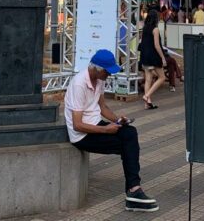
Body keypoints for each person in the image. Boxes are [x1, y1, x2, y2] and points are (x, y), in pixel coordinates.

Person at [64, 49, 158, 212]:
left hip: (96, 125)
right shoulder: (79, 84)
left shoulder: (98, 80)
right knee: (128, 146)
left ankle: (134, 190)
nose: (109, 75)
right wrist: (106, 130)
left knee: (130, 132)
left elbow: (102, 107)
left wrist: (116, 120)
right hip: (82, 136)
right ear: (97, 69)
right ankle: (134, 191)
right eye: (107, 72)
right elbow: (77, 125)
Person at [138, 9, 166, 109]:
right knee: (162, 77)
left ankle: (147, 103)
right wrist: (163, 57)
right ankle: (147, 96)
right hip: (153, 56)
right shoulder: (155, 29)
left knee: (148, 79)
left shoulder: (145, 28)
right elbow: (157, 45)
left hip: (144, 56)